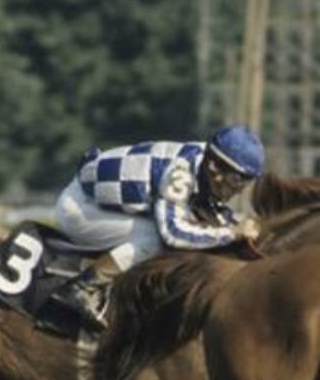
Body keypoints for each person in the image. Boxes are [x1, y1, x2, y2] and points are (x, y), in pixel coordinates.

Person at [52, 124, 265, 328]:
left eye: (246, 182)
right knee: (155, 238)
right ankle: (84, 286)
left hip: (102, 202)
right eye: (238, 180)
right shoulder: (180, 172)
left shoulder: (205, 162)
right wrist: (232, 233)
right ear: (215, 168)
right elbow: (172, 234)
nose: (239, 190)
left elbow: (212, 216)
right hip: (79, 207)